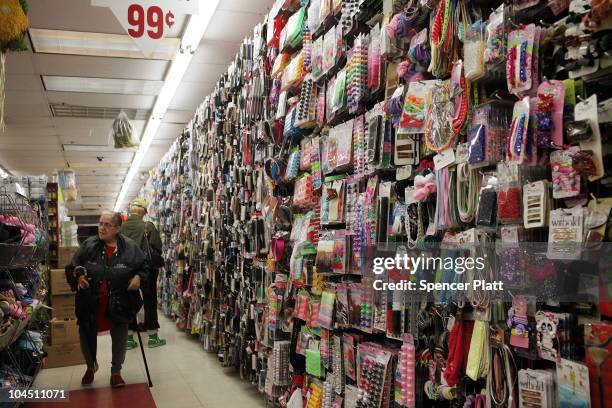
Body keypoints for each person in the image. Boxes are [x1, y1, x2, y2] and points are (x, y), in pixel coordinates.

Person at [65, 211, 147, 388]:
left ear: (117, 228)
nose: (101, 228)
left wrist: (139, 277)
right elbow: (73, 266)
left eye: (107, 224)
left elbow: (144, 267)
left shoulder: (131, 248)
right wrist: (78, 277)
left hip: (120, 301)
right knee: (86, 335)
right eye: (100, 223)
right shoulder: (89, 245)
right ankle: (90, 366)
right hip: (91, 301)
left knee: (120, 337)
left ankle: (116, 372)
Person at [120, 197, 166, 349]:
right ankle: (152, 338)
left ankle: (129, 339)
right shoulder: (148, 226)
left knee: (129, 303)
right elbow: (157, 247)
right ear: (142, 211)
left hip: (126, 271)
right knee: (149, 301)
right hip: (147, 271)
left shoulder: (121, 228)